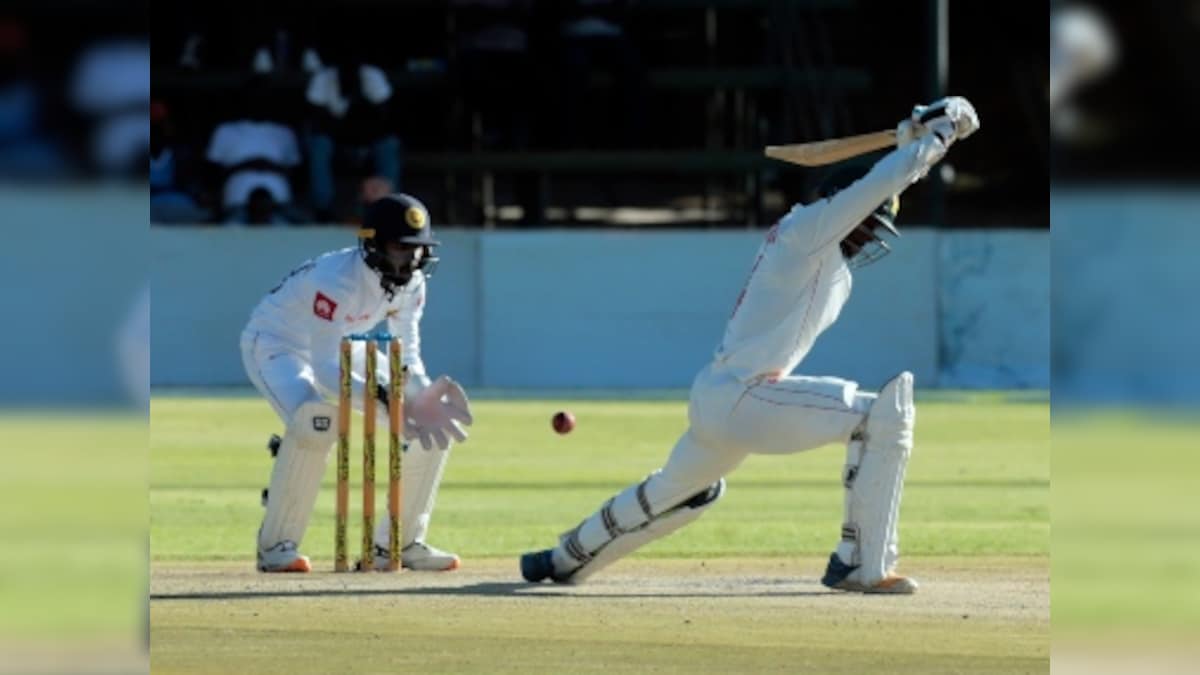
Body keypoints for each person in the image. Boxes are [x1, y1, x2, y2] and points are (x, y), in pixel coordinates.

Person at [520, 97, 980, 593]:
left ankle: (564, 557)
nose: (868, 238)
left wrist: (912, 139)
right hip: (744, 395)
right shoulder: (809, 228)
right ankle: (859, 562)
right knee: (882, 415)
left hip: (726, 395)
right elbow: (878, 185)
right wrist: (939, 137)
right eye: (868, 224)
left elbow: (878, 187)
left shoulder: (819, 249)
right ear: (841, 207)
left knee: (676, 491)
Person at [241, 193, 473, 573]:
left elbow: (408, 354)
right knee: (316, 422)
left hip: (344, 343)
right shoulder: (335, 281)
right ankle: (276, 547)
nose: (409, 261)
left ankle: (397, 544)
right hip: (276, 344)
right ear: (372, 245)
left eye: (417, 251)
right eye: (400, 249)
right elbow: (323, 369)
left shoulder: (413, 283)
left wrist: (420, 394)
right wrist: (382, 395)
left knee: (430, 421)